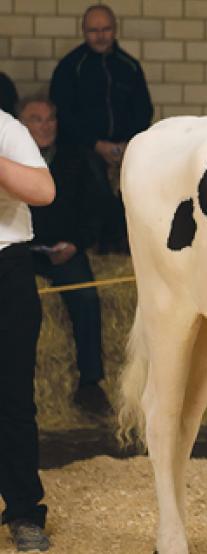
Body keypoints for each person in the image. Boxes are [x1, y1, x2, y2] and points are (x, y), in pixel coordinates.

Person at [19, 94, 111, 418]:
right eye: (36, 119)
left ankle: (90, 384)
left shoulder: (76, 158)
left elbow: (95, 208)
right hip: (19, 250)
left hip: (63, 249)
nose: (45, 126)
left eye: (50, 119)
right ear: (20, 124)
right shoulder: (10, 159)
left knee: (85, 297)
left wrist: (75, 243)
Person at [49, 4, 153, 252]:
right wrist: (96, 145)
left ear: (115, 30)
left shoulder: (129, 66)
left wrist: (127, 144)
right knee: (95, 184)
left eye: (106, 29)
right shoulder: (70, 67)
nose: (100, 35)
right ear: (84, 32)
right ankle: (96, 243)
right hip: (83, 148)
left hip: (125, 147)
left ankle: (123, 244)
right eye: (94, 30)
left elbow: (143, 109)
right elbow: (63, 112)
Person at [0, 93, 56, 552]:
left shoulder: (6, 129)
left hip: (6, 269)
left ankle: (23, 512)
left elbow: (43, 190)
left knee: (13, 399)